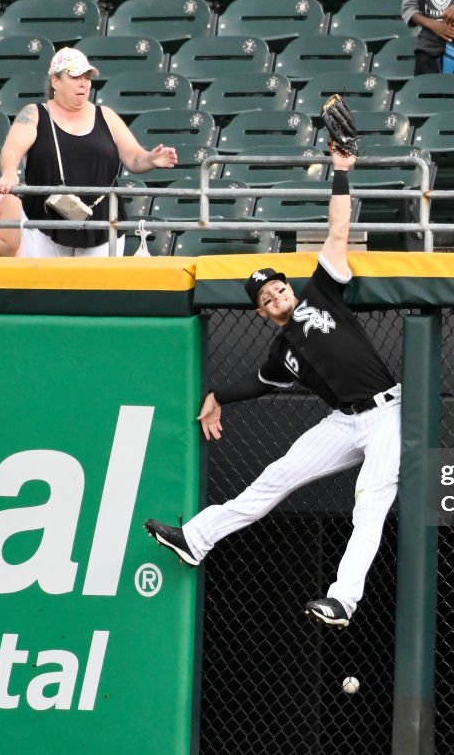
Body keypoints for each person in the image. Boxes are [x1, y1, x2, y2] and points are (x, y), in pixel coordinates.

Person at [144, 148, 401, 629]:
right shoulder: (281, 351)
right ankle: (195, 540)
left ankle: (343, 600)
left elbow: (339, 230)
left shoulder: (322, 291)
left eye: (280, 288)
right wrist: (219, 396)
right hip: (346, 421)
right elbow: (258, 384)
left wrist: (342, 173)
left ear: (290, 288)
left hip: (389, 412)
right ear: (261, 312)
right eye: (268, 297)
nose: (277, 295)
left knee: (369, 502)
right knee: (274, 478)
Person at [0, 47, 178, 257]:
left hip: (101, 220)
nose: (84, 83)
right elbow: (12, 149)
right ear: (55, 81)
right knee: (47, 287)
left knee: (97, 288)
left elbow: (134, 158)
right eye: (75, 77)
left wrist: (151, 159)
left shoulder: (106, 115)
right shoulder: (34, 113)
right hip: (46, 218)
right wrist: (9, 173)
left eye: (87, 77)